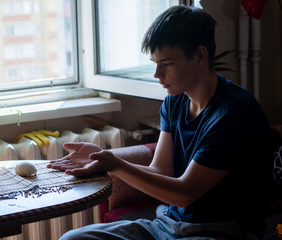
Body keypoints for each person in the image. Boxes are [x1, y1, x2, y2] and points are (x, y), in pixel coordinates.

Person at [47, 5, 272, 240]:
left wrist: (114, 165)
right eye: (154, 63)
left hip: (221, 231)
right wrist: (103, 157)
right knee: (72, 239)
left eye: (166, 63)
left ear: (200, 56)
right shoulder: (174, 103)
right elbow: (160, 171)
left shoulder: (233, 113)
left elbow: (184, 194)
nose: (157, 74)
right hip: (167, 225)